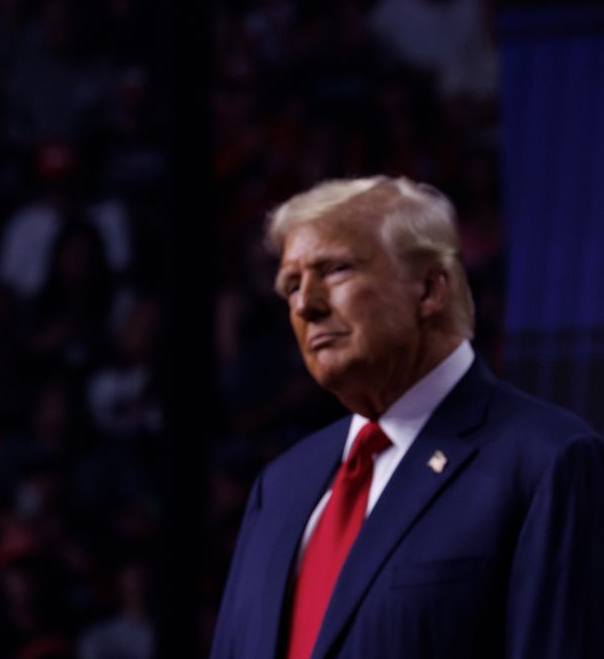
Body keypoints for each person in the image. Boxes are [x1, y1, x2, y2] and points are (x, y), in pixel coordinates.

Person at [210, 176, 604, 659]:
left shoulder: (547, 463)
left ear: (429, 289)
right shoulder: (278, 487)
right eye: (291, 285)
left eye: (334, 269)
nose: (305, 305)